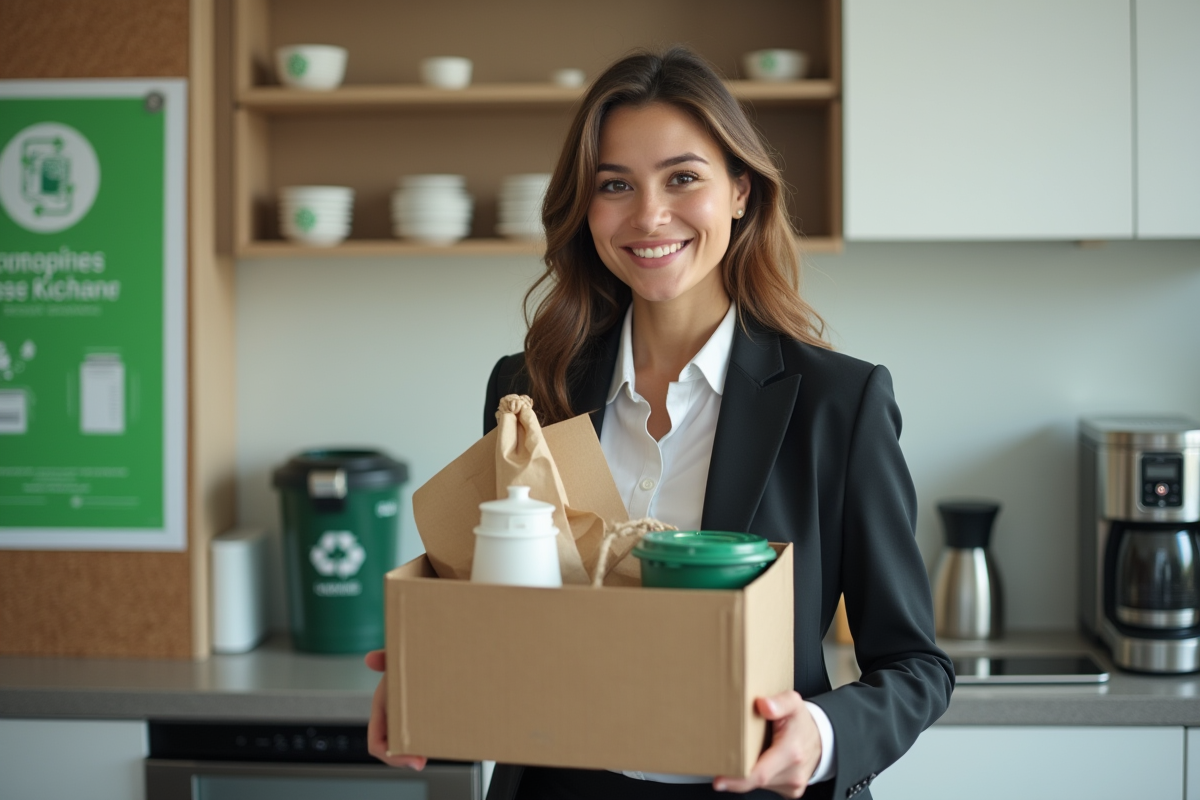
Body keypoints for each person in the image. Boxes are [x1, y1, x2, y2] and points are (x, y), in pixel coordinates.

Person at [365, 46, 953, 800]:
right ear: (586, 208)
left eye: (683, 178)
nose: (649, 215)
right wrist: (430, 671)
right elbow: (505, 615)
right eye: (615, 185)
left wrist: (820, 733)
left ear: (739, 191)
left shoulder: (837, 402)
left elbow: (915, 667)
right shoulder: (528, 388)